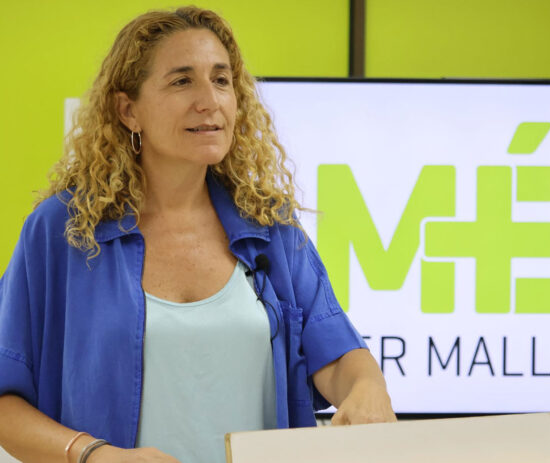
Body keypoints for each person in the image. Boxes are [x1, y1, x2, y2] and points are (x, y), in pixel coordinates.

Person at [0, 6, 396, 463]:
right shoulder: (64, 230)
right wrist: (96, 455)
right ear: (128, 110)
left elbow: (339, 356)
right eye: (182, 81)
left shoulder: (270, 227)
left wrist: (367, 387)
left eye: (221, 80)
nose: (210, 100)